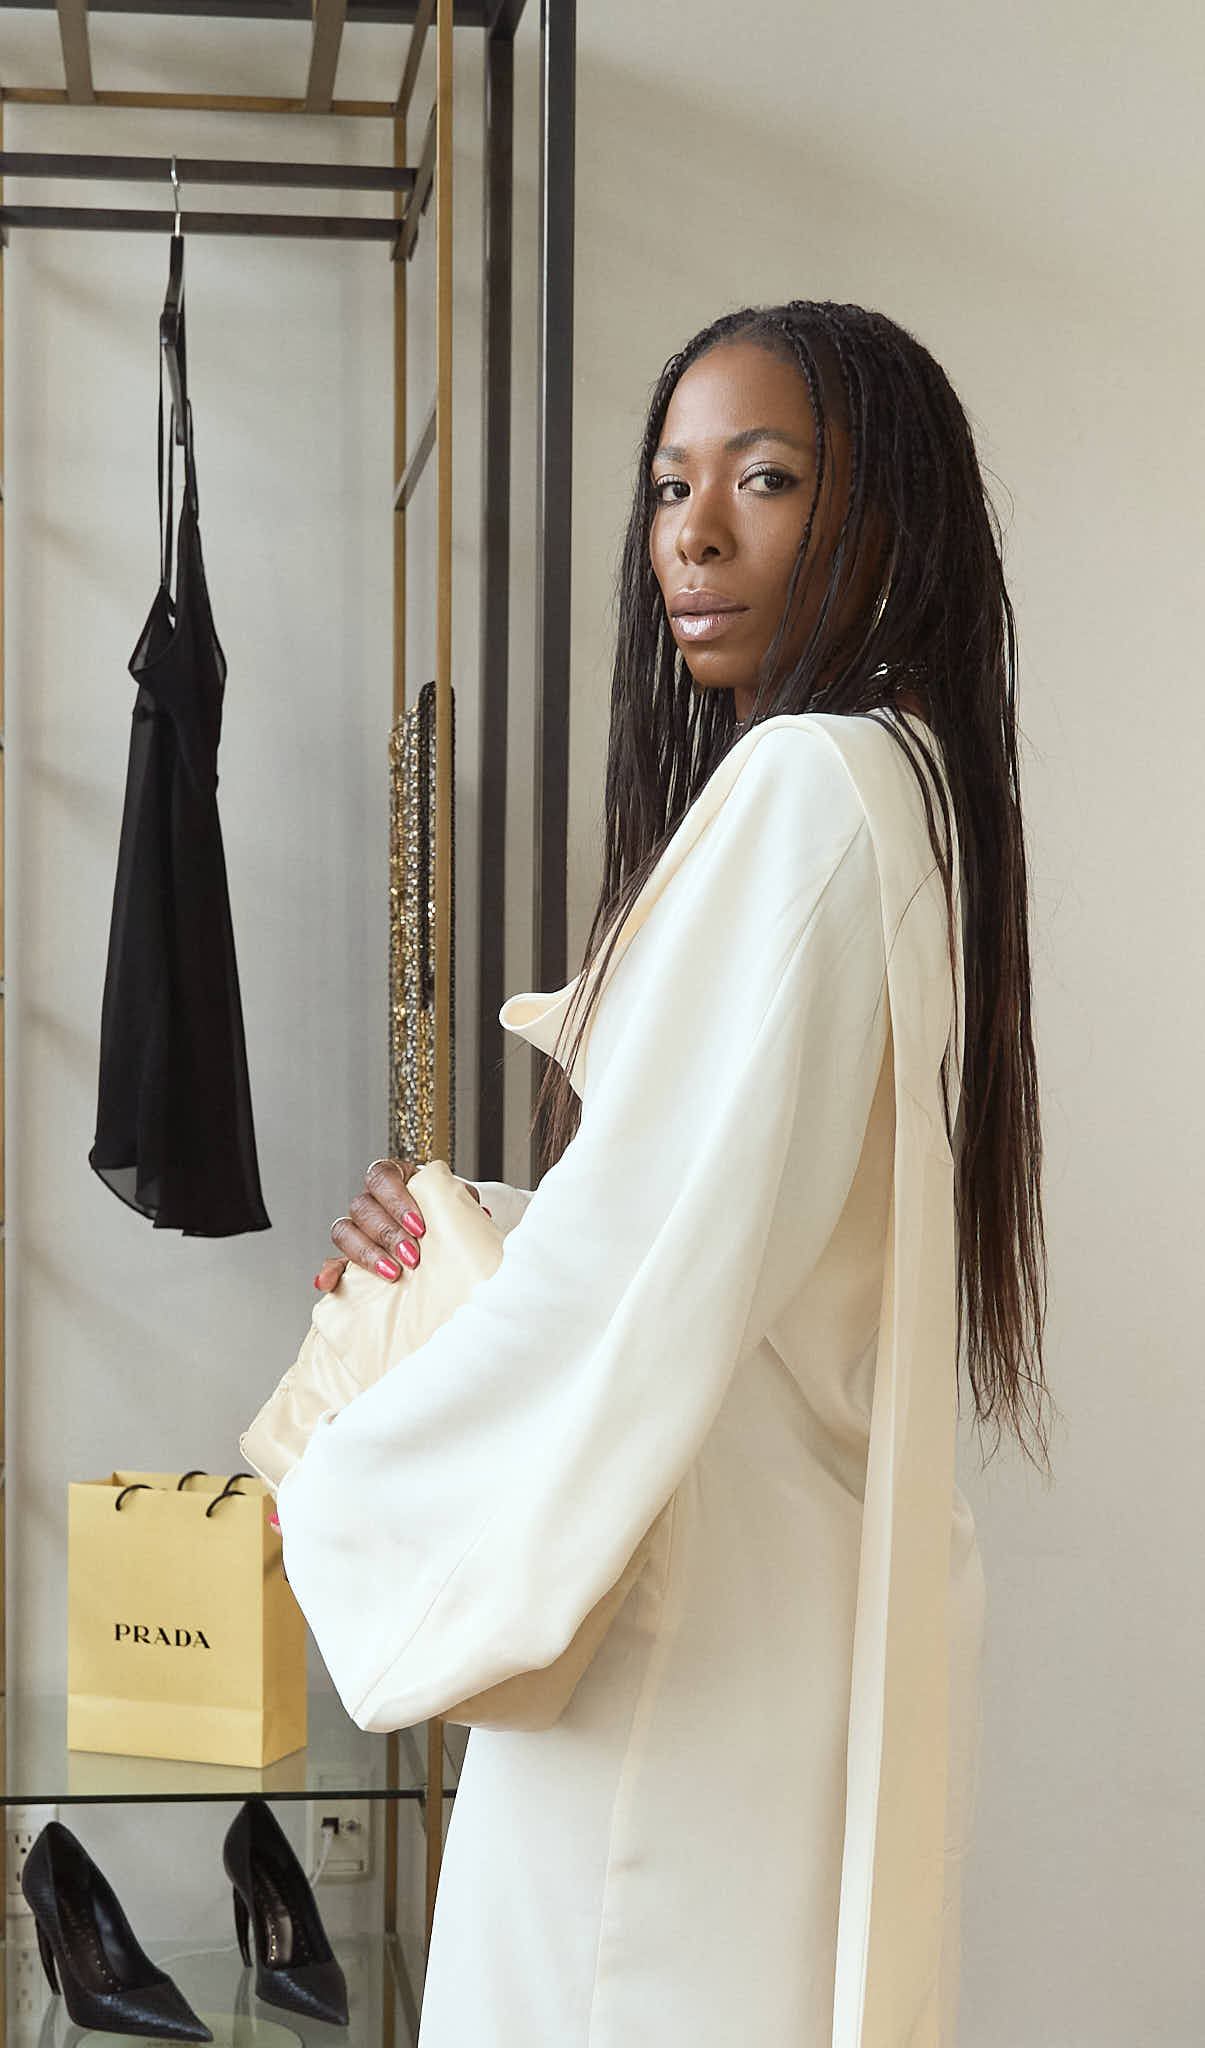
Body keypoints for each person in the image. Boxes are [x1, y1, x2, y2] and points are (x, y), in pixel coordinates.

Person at [284, 300, 1052, 2047]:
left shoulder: (801, 785)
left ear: (888, 513)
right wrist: (475, 1222)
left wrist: (339, 1474)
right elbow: (743, 1235)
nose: (690, 536)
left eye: (765, 479)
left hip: (678, 1642)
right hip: (798, 1617)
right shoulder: (915, 790)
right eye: (667, 486)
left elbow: (635, 1291)